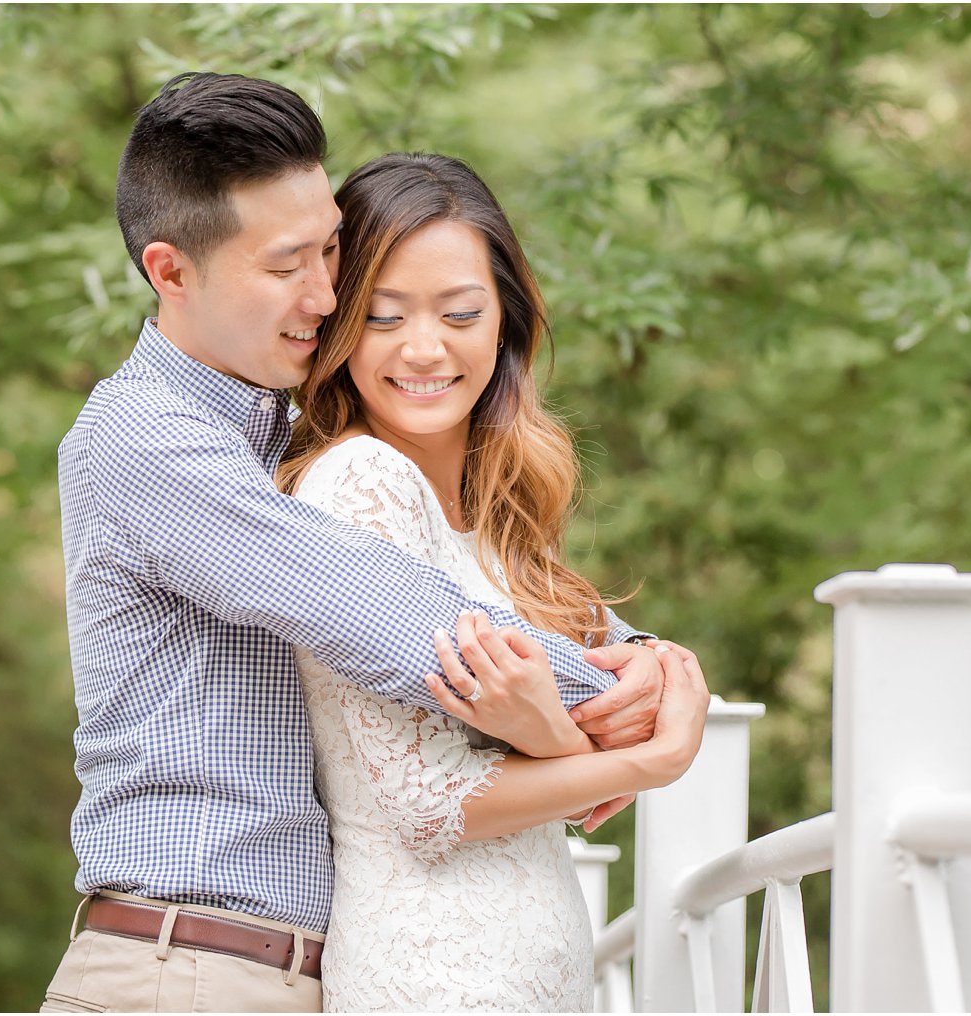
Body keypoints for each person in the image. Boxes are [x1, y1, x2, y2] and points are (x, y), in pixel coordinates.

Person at [41, 73, 674, 1014]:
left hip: (273, 969)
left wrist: (628, 656)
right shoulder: (152, 444)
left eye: (332, 251)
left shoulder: (270, 436)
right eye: (286, 265)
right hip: (187, 971)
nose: (328, 293)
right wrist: (628, 696)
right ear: (171, 271)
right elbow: (391, 616)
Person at [277, 152, 711, 1012]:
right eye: (384, 315)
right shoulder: (361, 481)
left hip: (534, 970)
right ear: (336, 327)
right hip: (433, 975)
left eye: (461, 313)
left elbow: (593, 680)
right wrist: (645, 760)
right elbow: (427, 807)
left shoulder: (498, 523)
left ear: (505, 321)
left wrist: (658, 663)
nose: (425, 349)